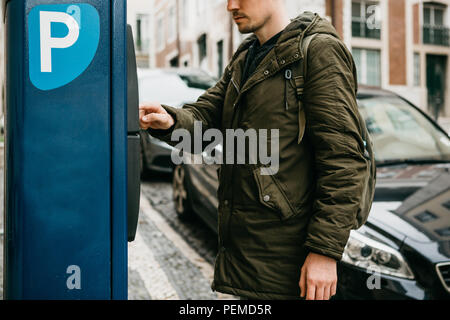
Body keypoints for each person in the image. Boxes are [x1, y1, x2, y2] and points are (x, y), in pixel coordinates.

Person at [140, 0, 368, 300]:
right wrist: (170, 121)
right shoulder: (246, 55)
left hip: (290, 265)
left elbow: (344, 161)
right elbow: (208, 118)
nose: (231, 6)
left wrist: (324, 253)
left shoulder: (319, 51)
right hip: (246, 260)